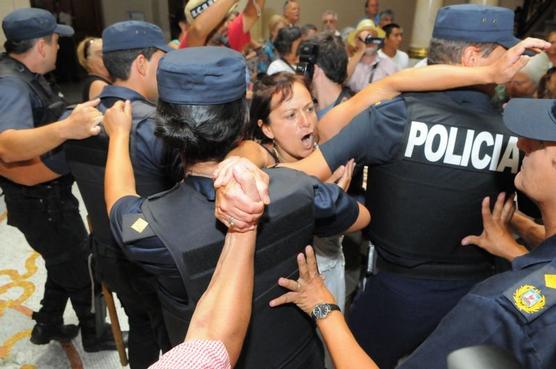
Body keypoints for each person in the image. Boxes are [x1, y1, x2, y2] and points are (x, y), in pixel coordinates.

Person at [218, 5, 551, 368]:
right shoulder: (523, 139)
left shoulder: (393, 116)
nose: (515, 61)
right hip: (483, 298)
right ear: (474, 56)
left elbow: (300, 172)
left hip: (393, 300)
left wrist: (243, 163)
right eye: (507, 50)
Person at [106, 46, 370, 369]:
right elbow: (362, 217)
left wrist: (118, 135)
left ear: (166, 127)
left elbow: (118, 197)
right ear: (244, 122)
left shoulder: (149, 228)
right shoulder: (301, 189)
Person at [98, 102, 264, 369]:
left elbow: (119, 205)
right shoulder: (276, 191)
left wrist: (118, 135)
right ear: (239, 133)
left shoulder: (152, 231)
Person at [395, 97, 556, 369]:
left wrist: (325, 310)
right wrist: (518, 252)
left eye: (538, 143)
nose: (521, 144)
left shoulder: (496, 310)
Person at [0, 8, 115, 352]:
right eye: (55, 41)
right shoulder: (10, 85)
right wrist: (66, 128)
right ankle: (95, 336)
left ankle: (46, 324)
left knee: (62, 259)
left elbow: (41, 119)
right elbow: (6, 145)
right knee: (81, 267)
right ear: (40, 46)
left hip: (47, 197)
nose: (59, 48)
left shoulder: (26, 74)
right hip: (39, 202)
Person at [64, 20, 177, 368]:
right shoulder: (157, 125)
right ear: (142, 63)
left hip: (109, 254)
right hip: (155, 257)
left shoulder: (75, 120)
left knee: (140, 325)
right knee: (175, 339)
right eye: (162, 59)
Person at [179, 0, 264, 51]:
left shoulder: (226, 35)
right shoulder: (188, 46)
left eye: (226, 19)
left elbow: (251, 14)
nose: (227, 25)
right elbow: (199, 29)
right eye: (221, 21)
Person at [346, 19, 398, 92]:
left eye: (372, 36)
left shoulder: (388, 64)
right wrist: (360, 50)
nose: (369, 41)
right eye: (366, 38)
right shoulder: (350, 63)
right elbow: (342, 80)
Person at [76, 37, 111, 101]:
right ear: (87, 61)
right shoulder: (99, 85)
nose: (107, 58)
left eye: (110, 53)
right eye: (101, 55)